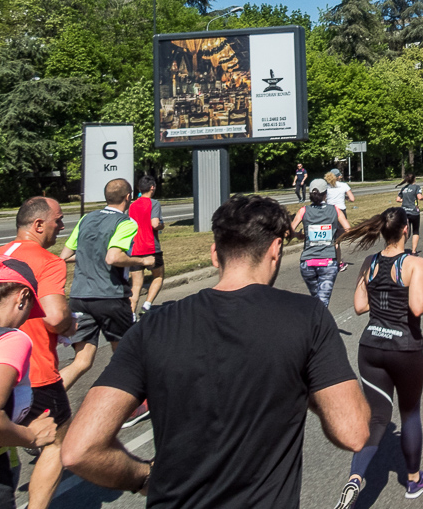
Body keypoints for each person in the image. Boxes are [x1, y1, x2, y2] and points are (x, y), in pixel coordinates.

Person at [61, 195, 370, 509]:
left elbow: (79, 450)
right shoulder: (307, 318)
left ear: (214, 254)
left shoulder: (153, 326)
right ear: (276, 250)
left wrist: (143, 477)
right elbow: (353, 432)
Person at [0, 198, 75, 509]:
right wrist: (70, 326)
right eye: (58, 220)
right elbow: (56, 316)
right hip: (34, 370)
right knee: (57, 441)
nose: (62, 225)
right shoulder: (48, 261)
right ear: (38, 225)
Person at [334, 209, 423, 507]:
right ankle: (414, 481)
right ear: (406, 229)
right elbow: (417, 307)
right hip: (404, 348)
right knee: (409, 414)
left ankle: (355, 479)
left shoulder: (370, 262)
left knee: (377, 417)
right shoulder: (415, 263)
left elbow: (359, 306)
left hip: (371, 348)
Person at [0, 259, 58, 509]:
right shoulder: (9, 340)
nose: (25, 321)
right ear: (22, 297)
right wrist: (30, 436)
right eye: (29, 309)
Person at [58, 179, 155, 393]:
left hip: (80, 298)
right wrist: (142, 261)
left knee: (82, 362)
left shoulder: (86, 218)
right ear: (129, 197)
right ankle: (130, 405)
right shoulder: (126, 223)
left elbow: (65, 255)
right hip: (110, 296)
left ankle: (43, 399)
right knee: (125, 357)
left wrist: (91, 255)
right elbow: (113, 257)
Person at [289, 180, 351, 308]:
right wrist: (335, 232)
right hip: (328, 263)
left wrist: (299, 235)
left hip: (307, 263)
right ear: (325, 194)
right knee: (322, 304)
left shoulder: (303, 211)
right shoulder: (335, 210)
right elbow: (348, 229)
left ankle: (316, 324)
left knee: (317, 301)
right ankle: (316, 326)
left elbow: (289, 231)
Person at [128, 176, 166, 317]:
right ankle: (147, 304)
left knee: (136, 285)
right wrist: (162, 225)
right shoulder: (154, 203)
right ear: (152, 187)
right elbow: (155, 224)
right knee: (158, 276)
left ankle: (131, 313)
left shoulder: (132, 205)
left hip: (135, 248)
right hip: (151, 248)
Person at [325, 170, 355, 271]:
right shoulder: (343, 185)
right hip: (340, 212)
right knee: (337, 239)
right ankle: (339, 262)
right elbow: (352, 199)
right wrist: (345, 198)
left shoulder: (327, 186)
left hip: (328, 211)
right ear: (338, 177)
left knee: (329, 236)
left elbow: (324, 199)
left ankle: (328, 259)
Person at [396, 174, 423, 254]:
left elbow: (398, 199)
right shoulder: (416, 187)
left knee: (405, 231)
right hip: (414, 212)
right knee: (415, 231)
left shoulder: (404, 188)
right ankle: (413, 251)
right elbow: (419, 197)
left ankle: (399, 248)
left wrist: (405, 200)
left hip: (404, 212)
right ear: (414, 179)